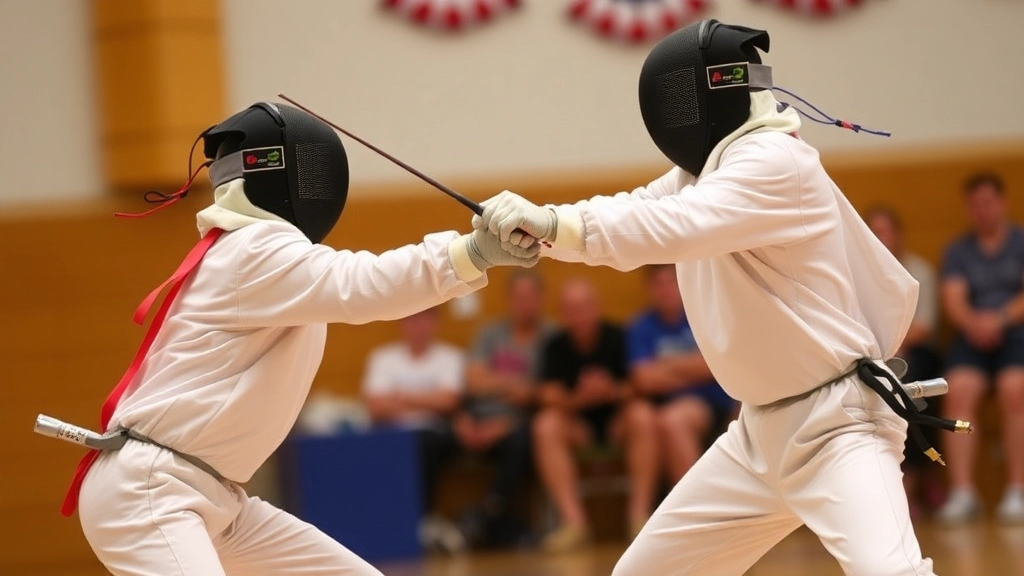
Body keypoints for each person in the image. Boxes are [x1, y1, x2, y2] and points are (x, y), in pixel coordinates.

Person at [475, 20, 964, 575]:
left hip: (838, 428)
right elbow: (636, 209)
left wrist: (552, 223)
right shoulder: (708, 169)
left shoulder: (776, 162)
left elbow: (675, 225)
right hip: (758, 438)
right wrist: (544, 228)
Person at [56, 102, 539, 576]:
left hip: (216, 501)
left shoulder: (249, 251)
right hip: (152, 493)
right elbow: (364, 284)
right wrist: (474, 251)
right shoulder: (253, 249)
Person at [533, 278, 658, 552]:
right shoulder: (555, 345)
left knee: (644, 415)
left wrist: (610, 391)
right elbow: (547, 394)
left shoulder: (618, 336)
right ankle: (573, 523)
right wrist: (579, 397)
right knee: (545, 425)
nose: (579, 315)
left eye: (584, 307)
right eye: (572, 309)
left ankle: (639, 518)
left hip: (617, 421)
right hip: (578, 426)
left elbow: (637, 384)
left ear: (596, 307)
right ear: (563, 313)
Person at [936, 173, 1024, 525]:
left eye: (989, 202)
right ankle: (963, 492)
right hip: (971, 338)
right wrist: (975, 323)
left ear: (1002, 203)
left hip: (1016, 335)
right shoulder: (958, 251)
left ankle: (1017, 490)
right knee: (958, 390)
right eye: (975, 204)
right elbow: (952, 298)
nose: (982, 210)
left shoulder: (1020, 241)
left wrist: (1000, 319)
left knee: (1015, 390)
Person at [456, 270, 555, 548]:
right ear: (509, 300)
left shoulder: (552, 337)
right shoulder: (489, 333)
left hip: (518, 427)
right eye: (519, 297)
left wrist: (503, 397)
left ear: (541, 299)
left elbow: (540, 394)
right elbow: (473, 382)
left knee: (522, 441)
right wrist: (516, 387)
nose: (525, 304)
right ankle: (491, 522)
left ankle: (488, 512)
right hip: (477, 422)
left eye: (530, 297)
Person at [361, 306, 468, 551]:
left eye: (424, 319)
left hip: (435, 437)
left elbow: (449, 401)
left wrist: (399, 396)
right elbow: (376, 406)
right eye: (412, 320)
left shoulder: (450, 357)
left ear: (434, 322)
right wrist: (427, 400)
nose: (418, 326)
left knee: (427, 444)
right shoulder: (382, 358)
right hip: (392, 436)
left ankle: (424, 516)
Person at [865, 206, 942, 517]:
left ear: (897, 235)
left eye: (884, 230)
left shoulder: (919, 270)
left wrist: (894, 346)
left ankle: (924, 476)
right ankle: (887, 488)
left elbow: (925, 326)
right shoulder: (859, 275)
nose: (879, 238)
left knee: (916, 391)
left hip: (914, 352)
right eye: (873, 231)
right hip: (875, 355)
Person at [628, 264, 736, 484]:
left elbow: (713, 366)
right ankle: (644, 512)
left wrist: (665, 365)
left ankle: (700, 507)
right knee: (651, 419)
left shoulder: (701, 316)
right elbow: (643, 380)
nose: (666, 290)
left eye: (671, 283)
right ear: (649, 289)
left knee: (673, 421)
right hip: (663, 404)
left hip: (709, 403)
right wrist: (690, 368)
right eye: (659, 284)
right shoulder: (641, 326)